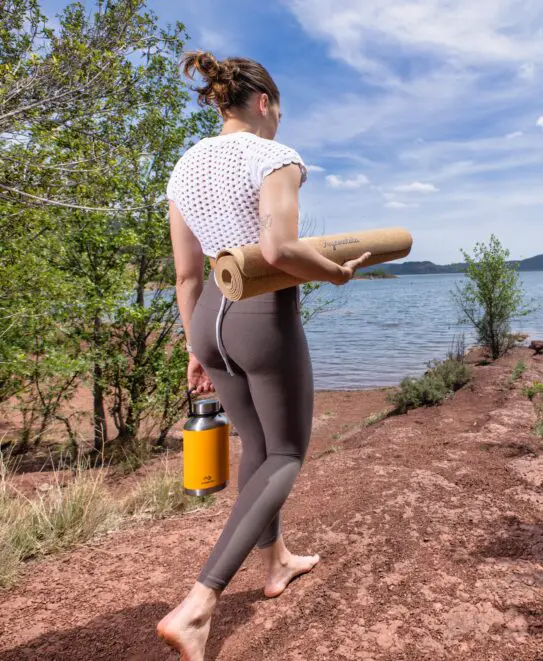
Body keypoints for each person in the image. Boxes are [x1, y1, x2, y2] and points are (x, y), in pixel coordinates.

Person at [157, 51, 371, 660]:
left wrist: (195, 346)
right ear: (264, 104)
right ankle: (198, 607)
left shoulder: (184, 167)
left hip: (208, 323)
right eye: (278, 110)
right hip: (261, 318)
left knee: (256, 444)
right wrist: (335, 272)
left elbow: (185, 274)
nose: (278, 120)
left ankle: (276, 563)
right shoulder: (276, 156)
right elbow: (278, 250)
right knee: (284, 451)